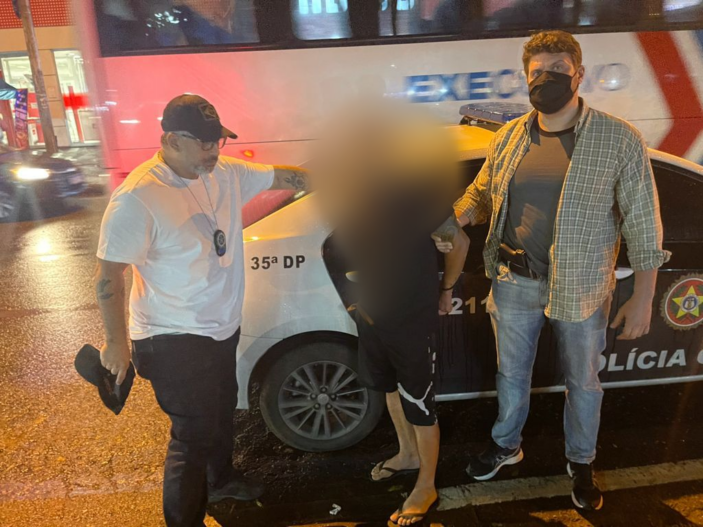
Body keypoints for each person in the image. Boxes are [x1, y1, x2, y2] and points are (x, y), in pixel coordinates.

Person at [436, 30, 669, 510]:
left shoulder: (618, 138)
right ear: (525, 78)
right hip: (513, 281)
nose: (547, 79)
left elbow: (644, 224)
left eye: (558, 70)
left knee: (583, 381)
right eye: (537, 72)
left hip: (582, 287)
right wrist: (453, 218)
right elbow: (481, 193)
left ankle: (581, 461)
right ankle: (507, 444)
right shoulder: (510, 137)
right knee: (510, 375)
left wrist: (644, 297)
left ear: (579, 75)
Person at [94, 94, 309, 527]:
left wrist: (333, 176)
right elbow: (108, 278)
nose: (214, 151)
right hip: (170, 337)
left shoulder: (225, 172)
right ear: (171, 140)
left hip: (220, 328)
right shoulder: (138, 196)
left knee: (222, 409)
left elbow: (285, 176)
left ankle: (221, 480)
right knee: (191, 435)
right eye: (205, 143)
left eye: (218, 141)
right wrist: (115, 344)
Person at [314, 102, 470, 526]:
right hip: (372, 316)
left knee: (419, 401)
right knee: (388, 389)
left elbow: (458, 243)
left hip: (411, 318)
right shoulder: (357, 194)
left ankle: (426, 485)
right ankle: (406, 454)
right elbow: (338, 249)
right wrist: (353, 301)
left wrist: (446, 290)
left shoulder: (416, 191)